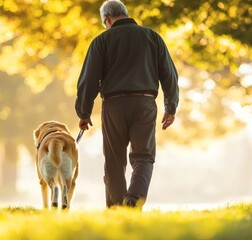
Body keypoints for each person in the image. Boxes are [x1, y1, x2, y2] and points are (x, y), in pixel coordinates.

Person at [75, 0, 179, 209]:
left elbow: (89, 79)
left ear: (107, 19)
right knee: (144, 157)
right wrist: (170, 107)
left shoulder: (102, 41)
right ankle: (134, 200)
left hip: (114, 105)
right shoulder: (153, 37)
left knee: (114, 161)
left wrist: (84, 112)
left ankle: (116, 209)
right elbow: (169, 75)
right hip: (145, 103)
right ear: (125, 13)